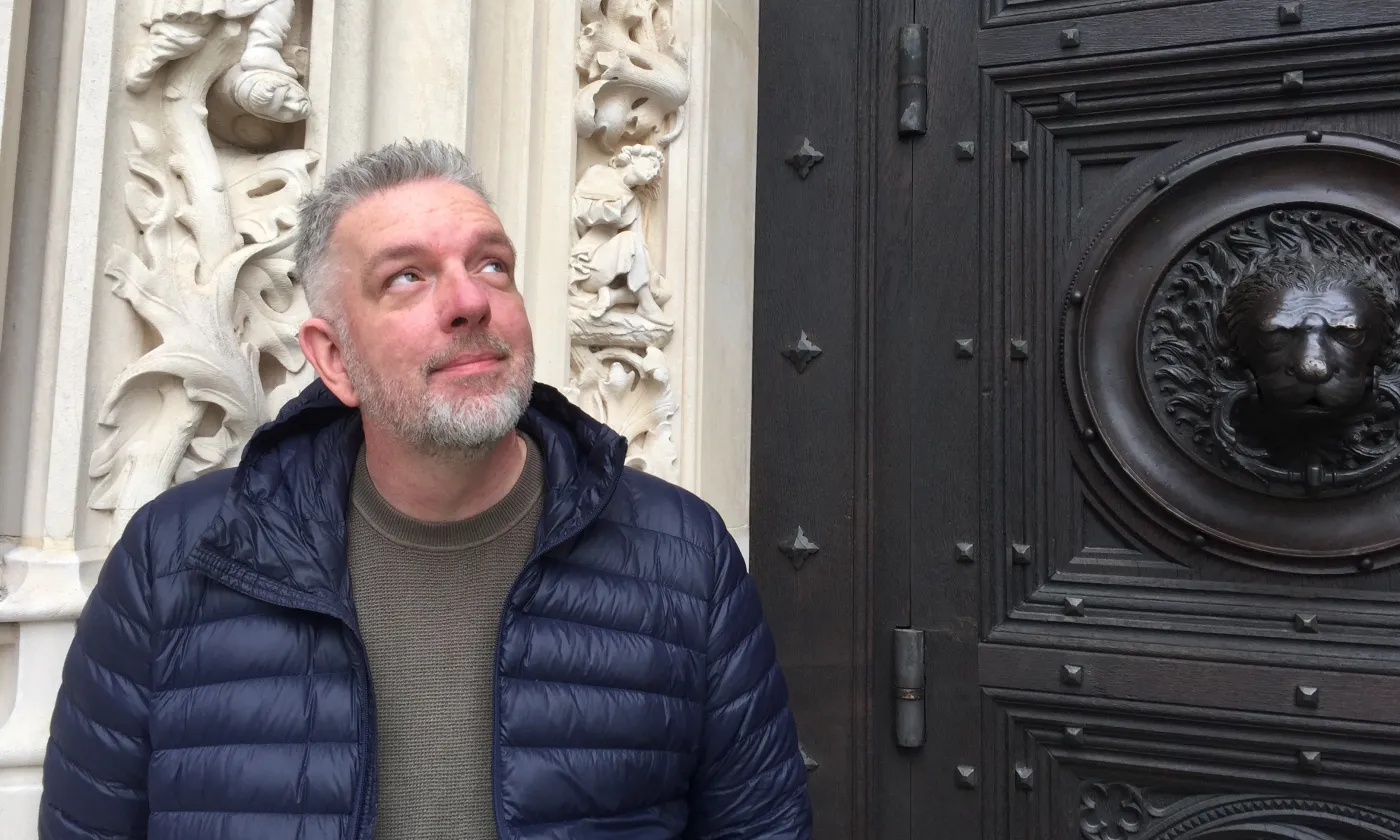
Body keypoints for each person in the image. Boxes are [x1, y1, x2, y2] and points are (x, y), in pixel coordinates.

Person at [38, 139, 813, 839]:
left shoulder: (683, 559)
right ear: (333, 357)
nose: (470, 301)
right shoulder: (174, 563)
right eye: (407, 277)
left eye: (491, 265)